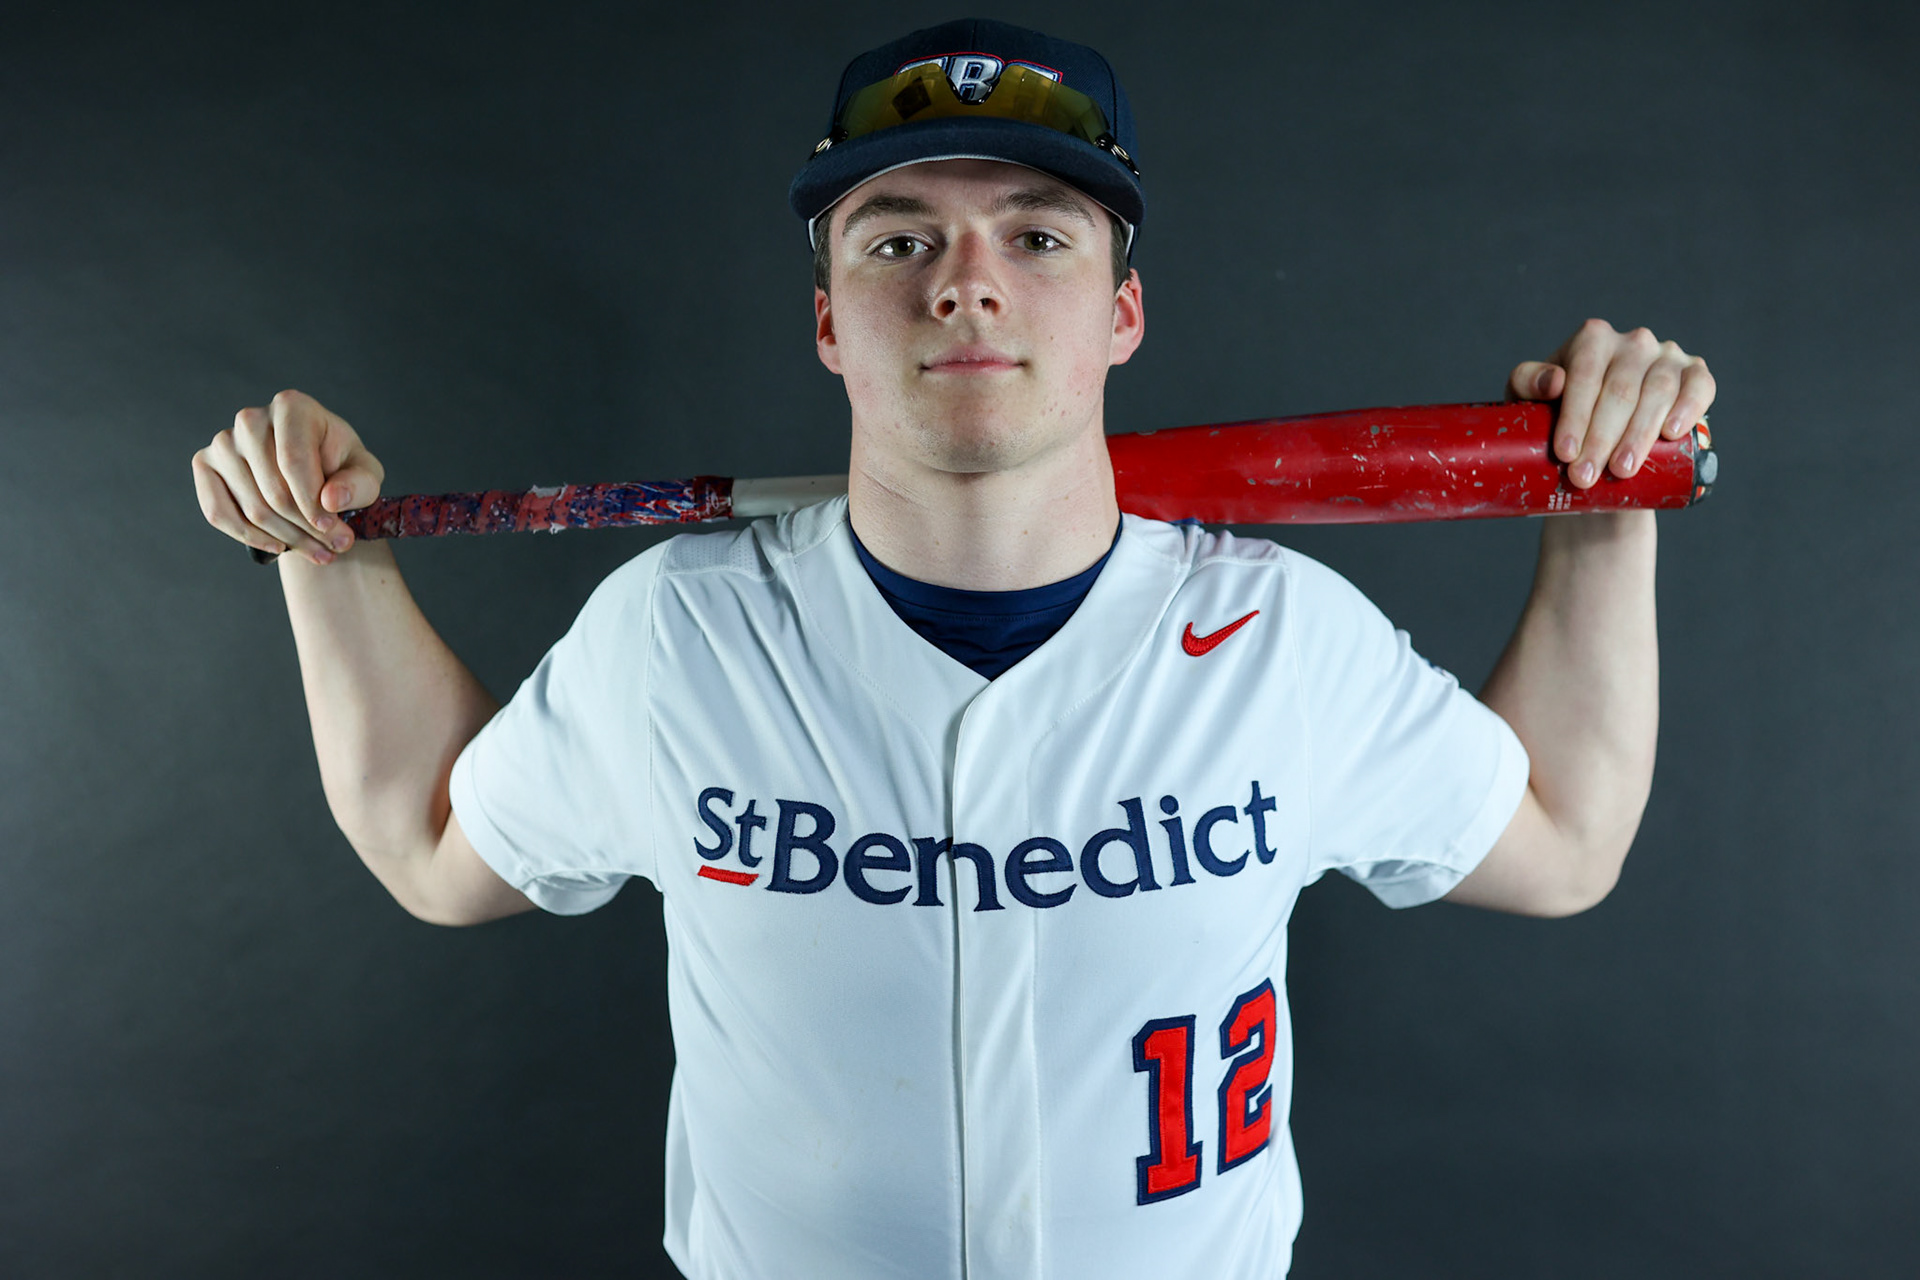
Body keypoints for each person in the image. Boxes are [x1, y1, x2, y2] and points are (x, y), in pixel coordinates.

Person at [190, 18, 1714, 1279]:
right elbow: (434, 846)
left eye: (1037, 235)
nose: (964, 279)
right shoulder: (680, 636)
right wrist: (319, 546)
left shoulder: (1280, 640)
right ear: (827, 324)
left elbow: (1564, 844)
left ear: (1122, 314)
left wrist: (1605, 501)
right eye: (897, 238)